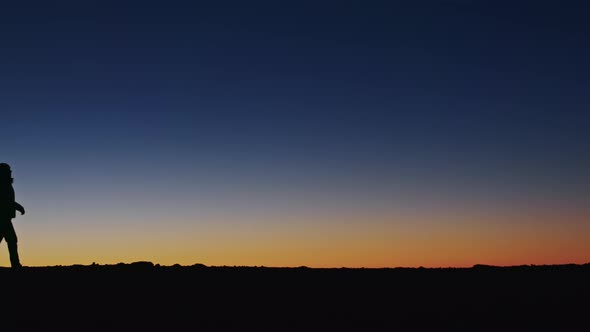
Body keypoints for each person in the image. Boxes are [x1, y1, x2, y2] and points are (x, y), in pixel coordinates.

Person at [0, 163, 25, 268]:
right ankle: (15, 264)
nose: (10, 172)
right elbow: (6, 201)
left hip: (5, 218)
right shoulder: (3, 184)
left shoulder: (6, 184)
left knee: (12, 240)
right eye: (8, 170)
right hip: (2, 218)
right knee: (12, 240)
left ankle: (15, 264)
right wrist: (19, 207)